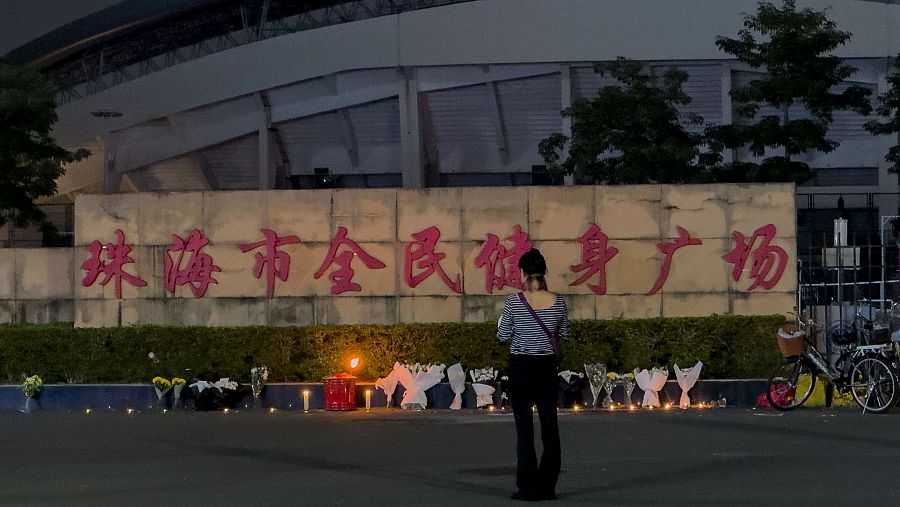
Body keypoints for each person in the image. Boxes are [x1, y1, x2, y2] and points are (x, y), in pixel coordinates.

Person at [497, 248, 571, 501]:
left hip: (521, 369)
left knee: (524, 431)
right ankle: (547, 486)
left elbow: (502, 335)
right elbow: (565, 334)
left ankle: (528, 488)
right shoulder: (559, 302)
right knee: (550, 430)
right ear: (545, 271)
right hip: (547, 370)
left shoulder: (514, 302)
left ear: (522, 273)